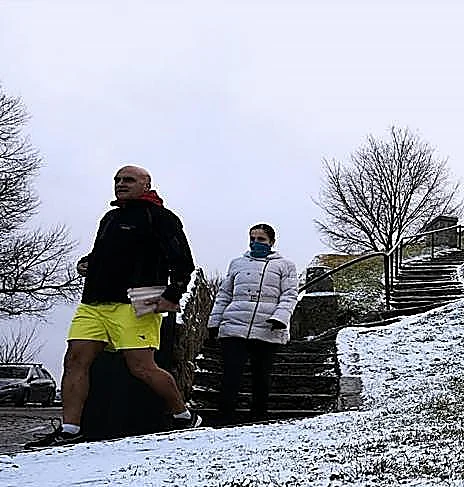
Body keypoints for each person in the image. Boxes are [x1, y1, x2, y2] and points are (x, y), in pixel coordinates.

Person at [27, 165, 200, 448]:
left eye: (128, 180)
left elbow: (182, 261)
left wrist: (173, 294)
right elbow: (105, 252)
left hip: (135, 302)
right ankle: (70, 430)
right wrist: (89, 263)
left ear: (146, 184)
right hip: (93, 303)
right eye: (117, 180)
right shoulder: (109, 218)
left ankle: (184, 416)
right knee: (74, 360)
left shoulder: (161, 217)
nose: (121, 184)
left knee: (141, 368)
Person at [207, 223, 298, 425]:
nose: (256, 243)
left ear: (271, 242)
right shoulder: (237, 263)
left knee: (261, 376)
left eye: (261, 239)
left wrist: (280, 318)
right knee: (231, 373)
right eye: (252, 239)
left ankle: (258, 417)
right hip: (234, 325)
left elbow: (289, 295)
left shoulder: (285, 266)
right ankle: (224, 417)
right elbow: (224, 294)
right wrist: (214, 321)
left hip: (267, 326)